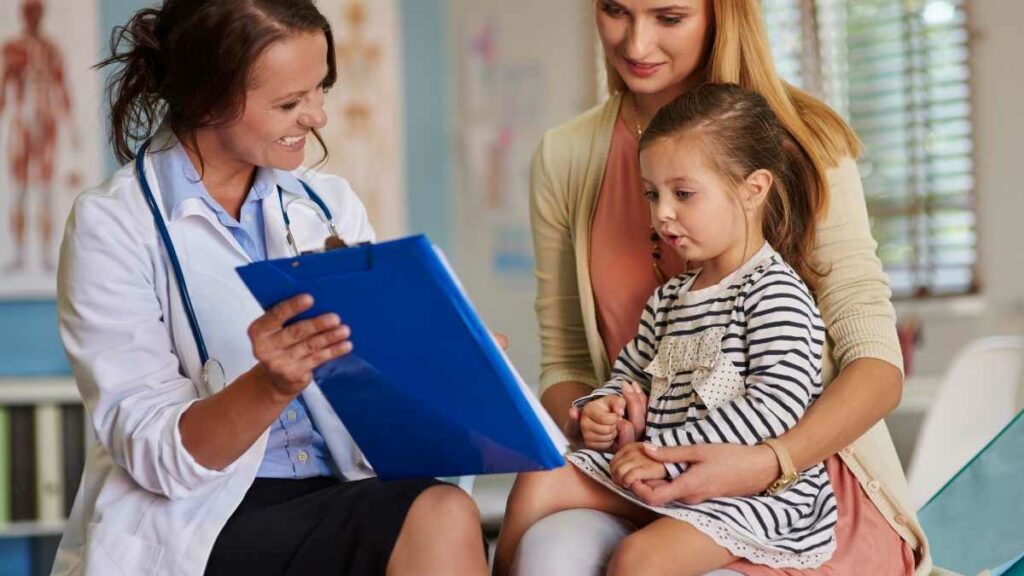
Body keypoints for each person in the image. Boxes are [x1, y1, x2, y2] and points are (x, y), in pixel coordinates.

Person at [52, 1, 488, 575]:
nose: (318, 117)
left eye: (320, 89)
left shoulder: (330, 205)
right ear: (209, 98)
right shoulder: (113, 224)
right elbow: (152, 454)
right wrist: (271, 384)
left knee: (444, 510)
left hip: (339, 484)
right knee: (439, 516)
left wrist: (448, 371)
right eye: (290, 103)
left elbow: (374, 391)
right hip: (202, 514)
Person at [513, 0, 933, 574]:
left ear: (721, 14)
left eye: (668, 17)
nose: (636, 45)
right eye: (615, 11)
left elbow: (876, 364)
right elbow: (568, 362)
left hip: (794, 479)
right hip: (644, 463)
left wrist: (767, 461)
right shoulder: (565, 158)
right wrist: (602, 416)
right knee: (540, 513)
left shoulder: (803, 143)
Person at [495, 83, 837, 576]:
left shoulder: (774, 293)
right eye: (653, 194)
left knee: (639, 559)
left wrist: (666, 456)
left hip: (749, 495)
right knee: (540, 480)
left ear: (753, 189)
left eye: (683, 194)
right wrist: (601, 411)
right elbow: (629, 375)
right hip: (660, 473)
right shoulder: (670, 298)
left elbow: (774, 409)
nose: (661, 214)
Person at [0, 0, 74, 271]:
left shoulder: (52, 50)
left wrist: (72, 128)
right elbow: (3, 88)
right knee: (19, 189)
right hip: (21, 125)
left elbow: (62, 89)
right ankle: (19, 253)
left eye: (37, 13)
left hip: (46, 125)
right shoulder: (12, 49)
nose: (34, 18)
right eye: (29, 13)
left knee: (45, 189)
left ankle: (45, 253)